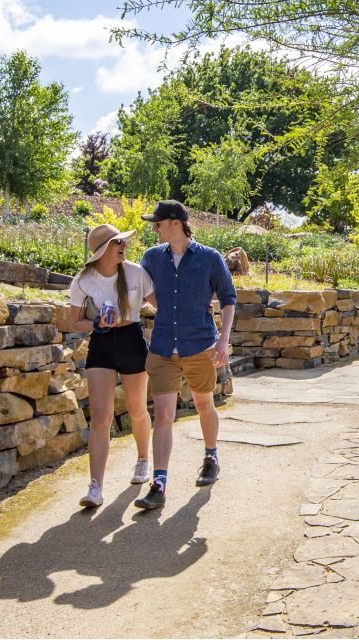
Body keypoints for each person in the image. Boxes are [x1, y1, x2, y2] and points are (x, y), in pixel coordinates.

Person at [134, 200, 236, 511]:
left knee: (204, 404)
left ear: (175, 223)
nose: (155, 228)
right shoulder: (152, 258)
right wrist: (161, 306)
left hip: (199, 346)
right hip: (164, 347)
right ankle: (159, 484)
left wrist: (223, 341)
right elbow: (141, 288)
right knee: (163, 415)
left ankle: (210, 456)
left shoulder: (209, 258)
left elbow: (229, 299)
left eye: (159, 223)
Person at [68, 223, 156, 509]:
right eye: (119, 242)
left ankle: (143, 461)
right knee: (101, 418)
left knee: (137, 408)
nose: (124, 246)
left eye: (124, 242)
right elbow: (73, 322)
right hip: (102, 343)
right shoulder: (83, 279)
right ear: (105, 248)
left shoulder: (136, 273)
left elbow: (161, 305)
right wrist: (96, 322)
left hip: (131, 339)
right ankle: (95, 487)